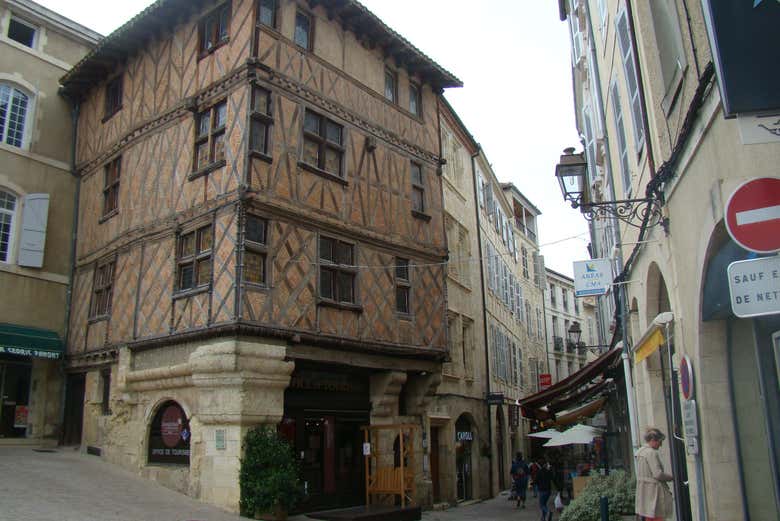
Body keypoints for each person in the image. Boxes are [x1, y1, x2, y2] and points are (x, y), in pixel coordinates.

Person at [635, 428, 674, 521]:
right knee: (657, 515)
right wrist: (671, 477)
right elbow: (657, 474)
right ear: (652, 440)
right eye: (659, 442)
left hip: (645, 490)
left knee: (649, 515)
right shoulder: (651, 453)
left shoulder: (641, 452)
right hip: (654, 491)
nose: (661, 445)